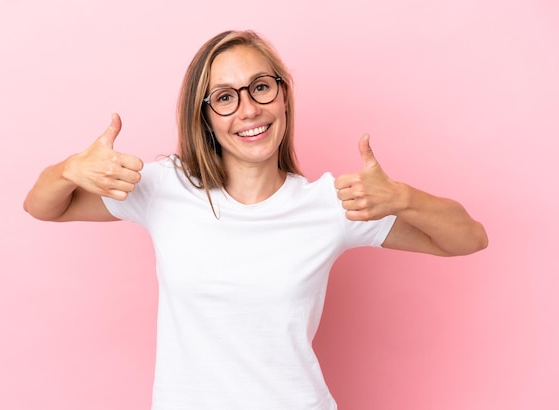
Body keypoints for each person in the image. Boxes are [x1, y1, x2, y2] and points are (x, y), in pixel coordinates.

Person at [24, 30, 488, 410]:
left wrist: (402, 197)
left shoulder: (331, 204)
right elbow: (44, 205)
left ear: (283, 96)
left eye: (261, 87)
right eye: (225, 97)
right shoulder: (164, 188)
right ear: (205, 118)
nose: (249, 109)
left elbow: (467, 238)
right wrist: (68, 169)